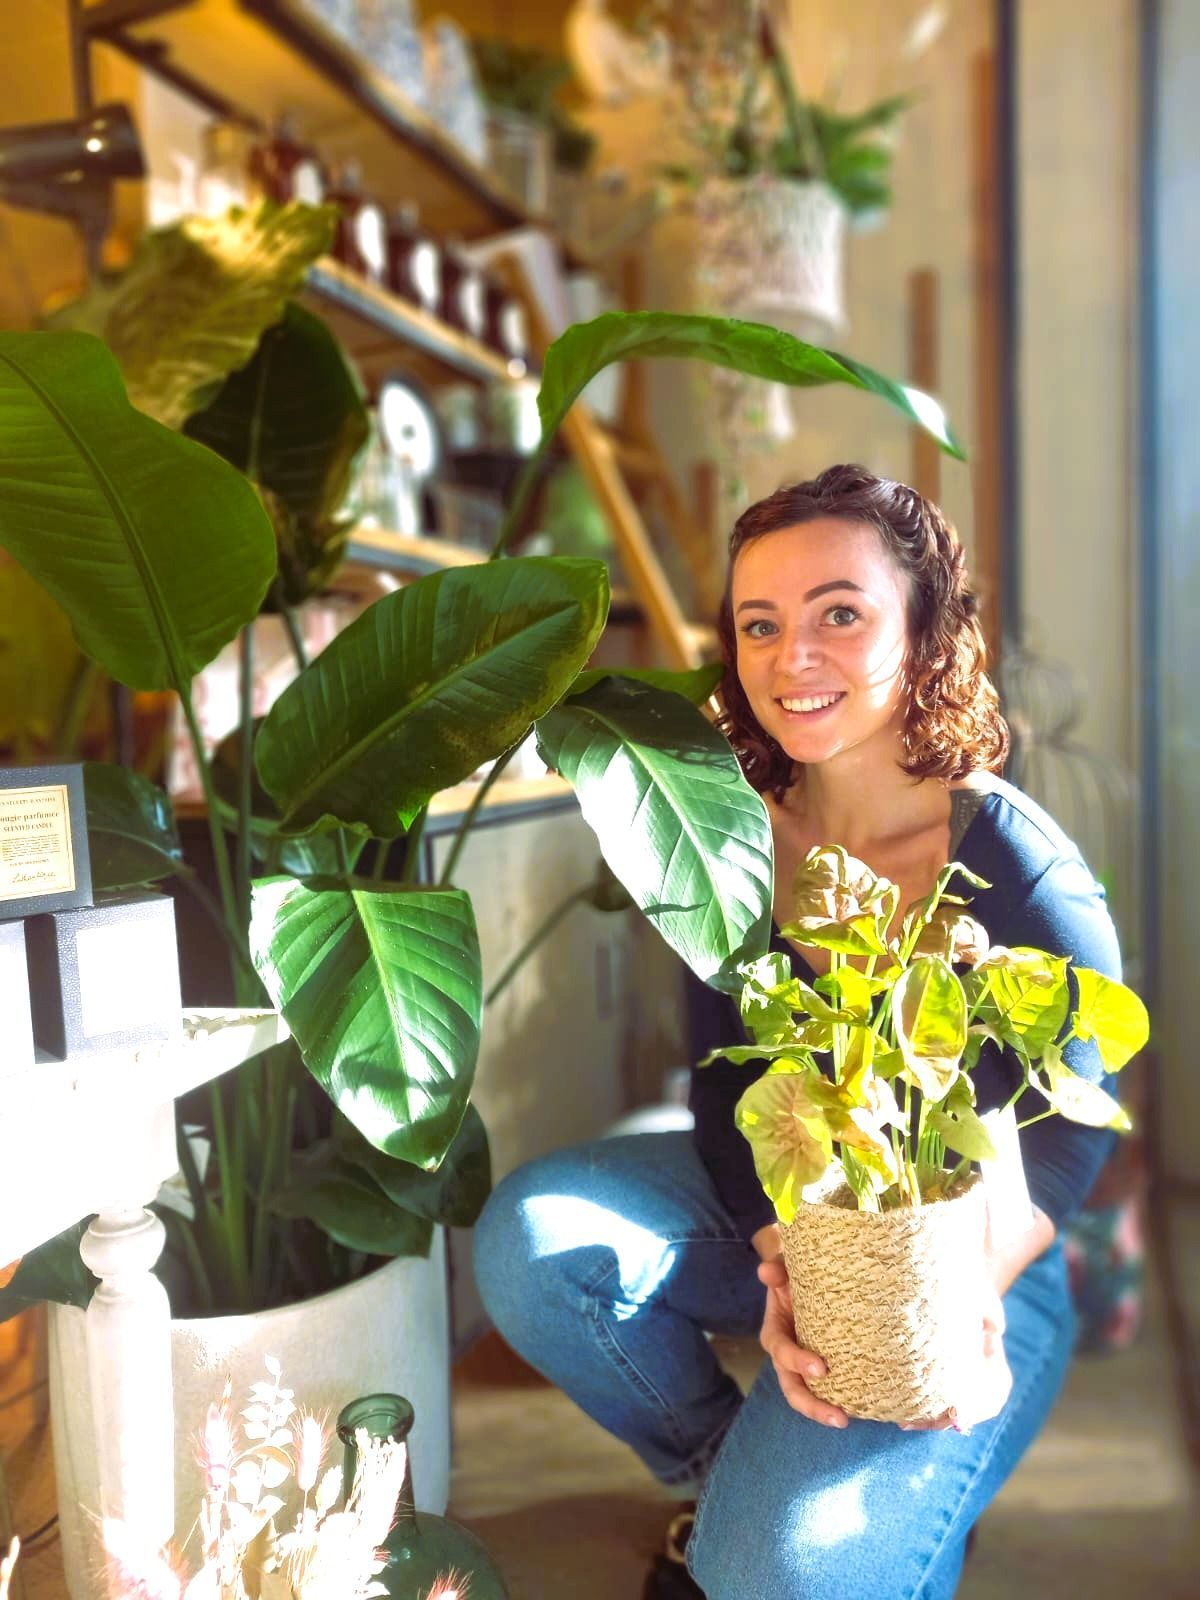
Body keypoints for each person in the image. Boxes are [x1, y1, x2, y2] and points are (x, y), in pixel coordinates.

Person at [473, 466, 1123, 1600]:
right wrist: (798, 1276)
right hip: (797, 1225)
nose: (792, 656)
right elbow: (728, 1107)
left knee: (786, 1573)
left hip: (978, 1265)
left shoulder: (1018, 865)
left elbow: (1069, 1143)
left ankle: (788, 1521)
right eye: (759, 624)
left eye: (840, 613)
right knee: (534, 1244)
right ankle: (724, 1475)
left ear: (922, 632)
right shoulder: (725, 841)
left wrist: (935, 1294)